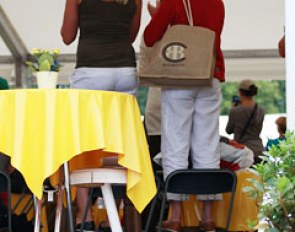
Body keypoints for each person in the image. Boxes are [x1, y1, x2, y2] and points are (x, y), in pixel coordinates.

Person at [143, 0, 225, 231]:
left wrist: (157, 15)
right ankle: (208, 216)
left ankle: (176, 214)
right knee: (208, 145)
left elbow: (151, 37)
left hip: (181, 76)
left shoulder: (174, 1)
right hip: (210, 74)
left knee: (175, 143)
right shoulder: (217, 2)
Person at [61, 0, 142, 230]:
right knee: (117, 144)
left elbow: (67, 36)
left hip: (91, 70)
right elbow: (131, 36)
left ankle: (83, 216)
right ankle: (112, 215)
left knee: (81, 142)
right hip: (125, 70)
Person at [226, 79, 265, 164]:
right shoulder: (261, 110)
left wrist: (233, 108)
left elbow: (228, 130)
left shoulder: (235, 111)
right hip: (258, 150)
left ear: (240, 92)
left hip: (242, 151)